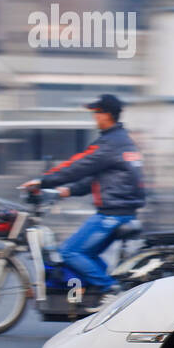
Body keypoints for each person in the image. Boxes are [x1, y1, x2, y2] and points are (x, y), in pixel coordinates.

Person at [22, 94, 146, 306]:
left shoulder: (109, 143)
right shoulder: (121, 140)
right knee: (86, 254)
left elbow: (77, 166)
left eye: (96, 113)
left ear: (107, 115)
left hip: (113, 213)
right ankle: (97, 293)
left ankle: (111, 291)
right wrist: (65, 191)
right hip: (123, 209)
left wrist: (42, 182)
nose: (94, 117)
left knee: (69, 252)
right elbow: (99, 179)